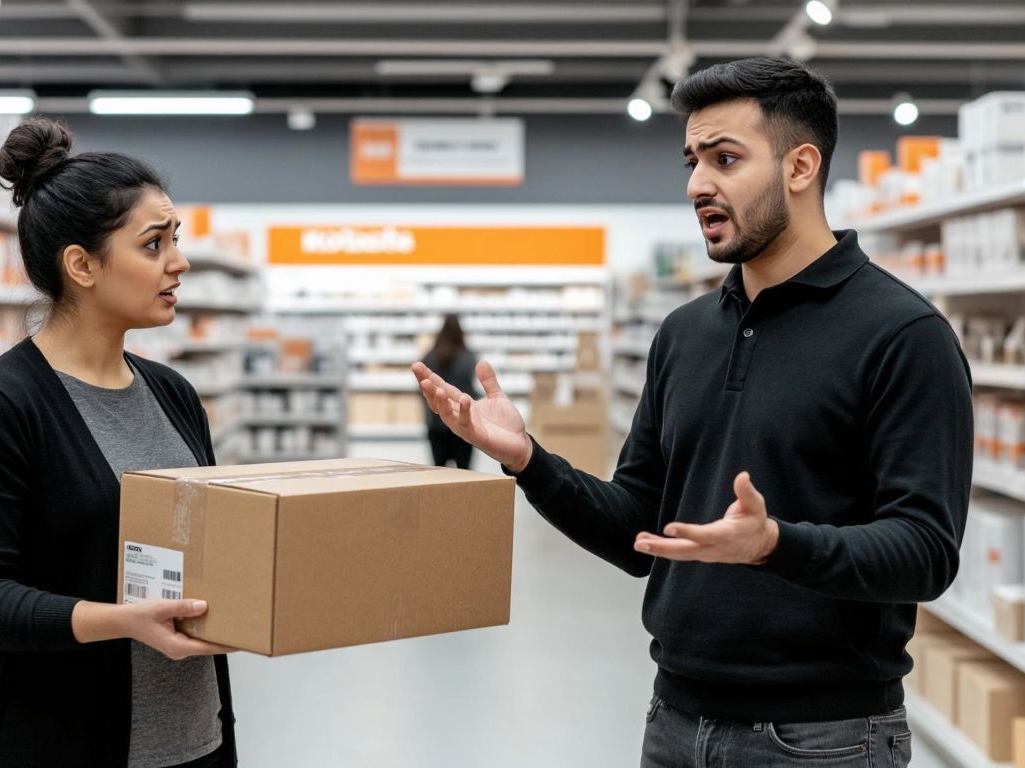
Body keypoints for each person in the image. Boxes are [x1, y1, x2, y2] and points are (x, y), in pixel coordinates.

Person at [413, 57, 972, 767]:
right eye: (693, 161)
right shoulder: (684, 334)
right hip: (673, 720)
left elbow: (926, 552)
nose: (697, 184)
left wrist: (775, 544)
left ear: (801, 167)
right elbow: (637, 532)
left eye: (725, 158)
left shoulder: (902, 335)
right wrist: (527, 459)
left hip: (823, 738)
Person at [0, 118, 238, 768]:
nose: (178, 261)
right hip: (59, 744)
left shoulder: (173, 393)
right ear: (81, 265)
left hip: (194, 742)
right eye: (154, 244)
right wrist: (121, 621)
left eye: (175, 238)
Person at [420, 314, 478, 469]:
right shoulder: (468, 357)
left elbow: (422, 389)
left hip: (436, 423)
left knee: (439, 471)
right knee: (465, 471)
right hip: (462, 422)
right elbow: (471, 388)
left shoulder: (429, 357)